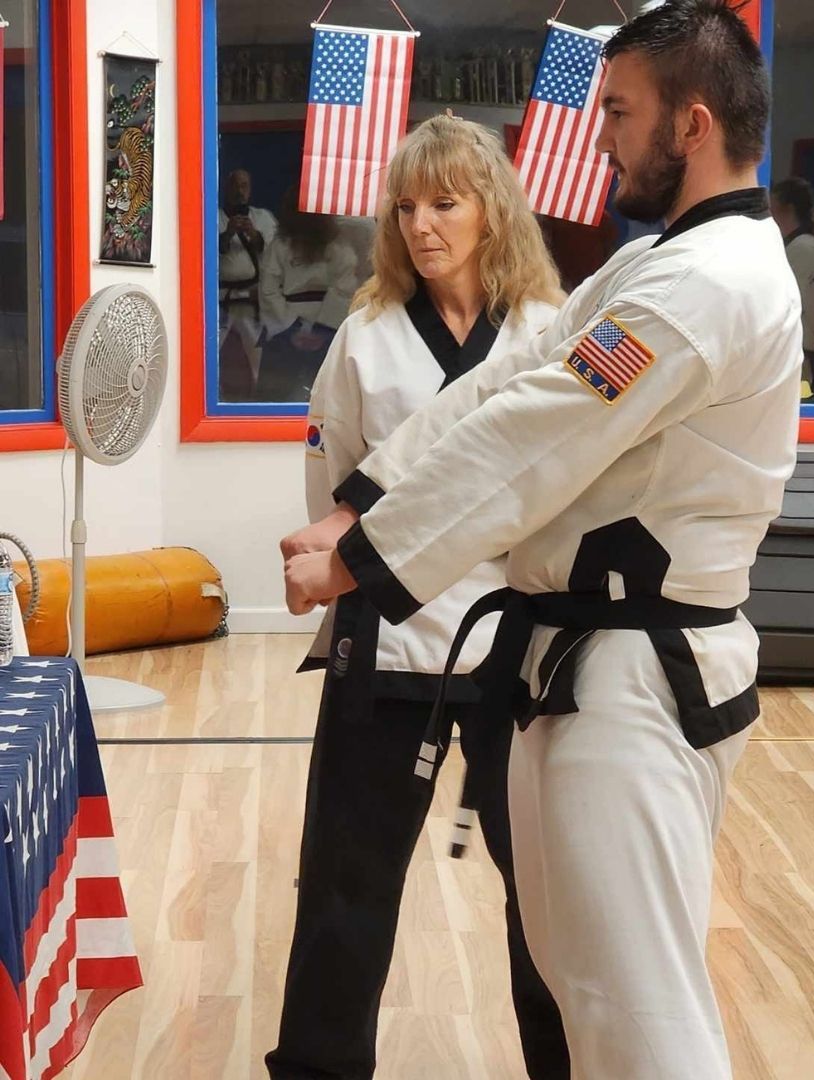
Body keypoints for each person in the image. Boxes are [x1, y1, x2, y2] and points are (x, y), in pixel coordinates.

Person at [281, 2, 803, 1076]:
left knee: (633, 1008)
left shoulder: (706, 284)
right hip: (575, 664)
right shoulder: (653, 265)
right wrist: (362, 497)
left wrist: (359, 561)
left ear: (691, 124)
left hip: (639, 681)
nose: (599, 131)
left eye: (618, 110)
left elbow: (538, 436)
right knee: (580, 979)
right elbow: (515, 384)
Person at [265, 115, 571, 1080]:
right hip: (386, 648)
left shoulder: (545, 334)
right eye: (406, 206)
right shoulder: (362, 339)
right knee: (345, 888)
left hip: (508, 648)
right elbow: (335, 496)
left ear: (494, 210)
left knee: (547, 894)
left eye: (446, 202)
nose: (423, 225)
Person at [257, 186, 359, 401]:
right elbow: (268, 290)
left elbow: (344, 288)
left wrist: (320, 330)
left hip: (323, 327)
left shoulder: (337, 246)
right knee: (277, 396)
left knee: (325, 398)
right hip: (288, 328)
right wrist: (293, 328)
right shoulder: (280, 245)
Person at [770, 176, 814, 401]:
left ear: (786, 208)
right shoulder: (796, 246)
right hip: (794, 349)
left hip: (798, 350)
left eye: (772, 205)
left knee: (800, 402)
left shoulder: (804, 249)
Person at [218, 169, 277, 396]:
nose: (239, 191)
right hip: (221, 299)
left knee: (258, 354)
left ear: (250, 190)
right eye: (234, 186)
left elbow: (277, 253)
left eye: (244, 186)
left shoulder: (263, 218)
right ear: (226, 189)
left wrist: (255, 236)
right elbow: (202, 253)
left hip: (252, 299)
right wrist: (227, 234)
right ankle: (210, 396)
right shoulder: (213, 217)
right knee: (207, 353)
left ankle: (259, 397)